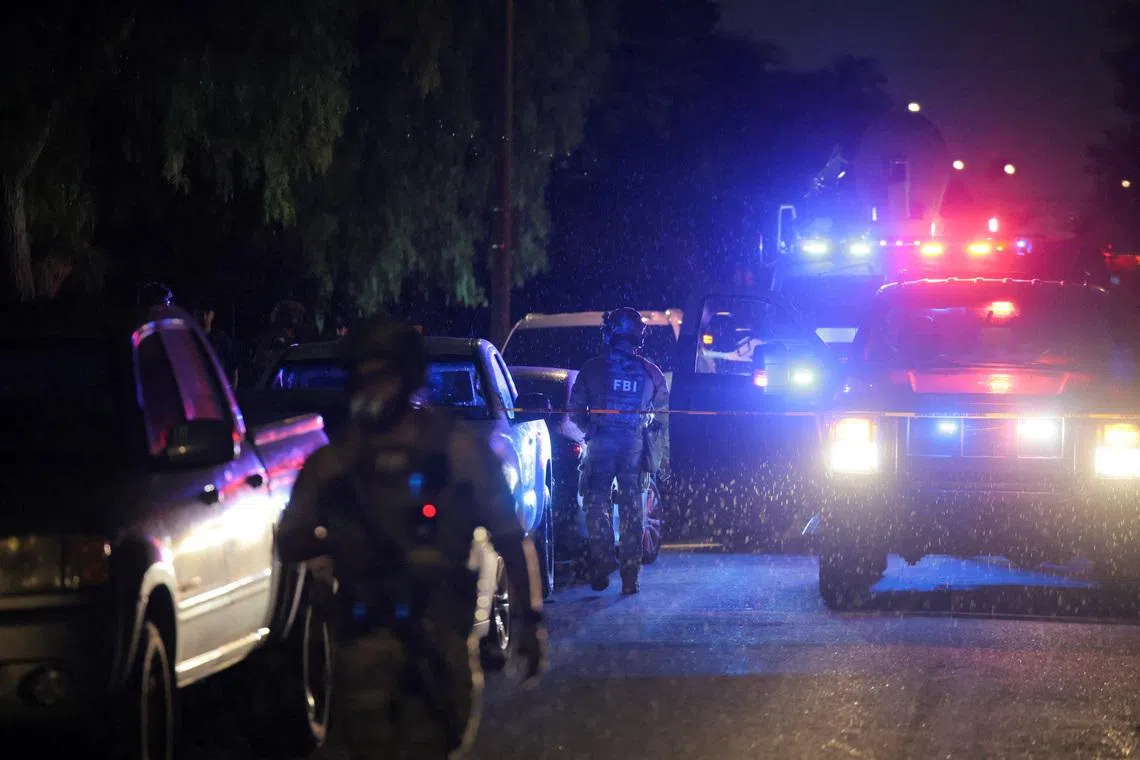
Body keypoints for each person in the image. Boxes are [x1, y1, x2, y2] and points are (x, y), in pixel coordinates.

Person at [276, 315, 548, 760]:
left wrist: (530, 623)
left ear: (406, 377)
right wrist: (338, 542)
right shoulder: (336, 462)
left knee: (438, 738)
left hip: (439, 638)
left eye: (380, 375)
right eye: (361, 375)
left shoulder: (456, 453)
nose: (370, 388)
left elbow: (508, 536)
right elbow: (290, 541)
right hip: (364, 637)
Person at [569, 307, 669, 595]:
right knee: (632, 511)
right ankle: (629, 577)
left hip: (600, 444)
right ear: (637, 334)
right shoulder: (651, 372)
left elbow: (575, 411)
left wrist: (592, 428)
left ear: (610, 332)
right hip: (634, 448)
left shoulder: (592, 368)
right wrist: (656, 451)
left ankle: (601, 563)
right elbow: (662, 415)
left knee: (596, 505)